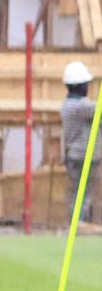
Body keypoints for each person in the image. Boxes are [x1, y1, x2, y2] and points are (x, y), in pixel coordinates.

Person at [61, 60, 102, 224]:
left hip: (74, 155)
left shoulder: (67, 105)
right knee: (83, 192)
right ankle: (78, 222)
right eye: (86, 84)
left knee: (79, 190)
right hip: (84, 156)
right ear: (79, 86)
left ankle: (77, 221)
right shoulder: (81, 106)